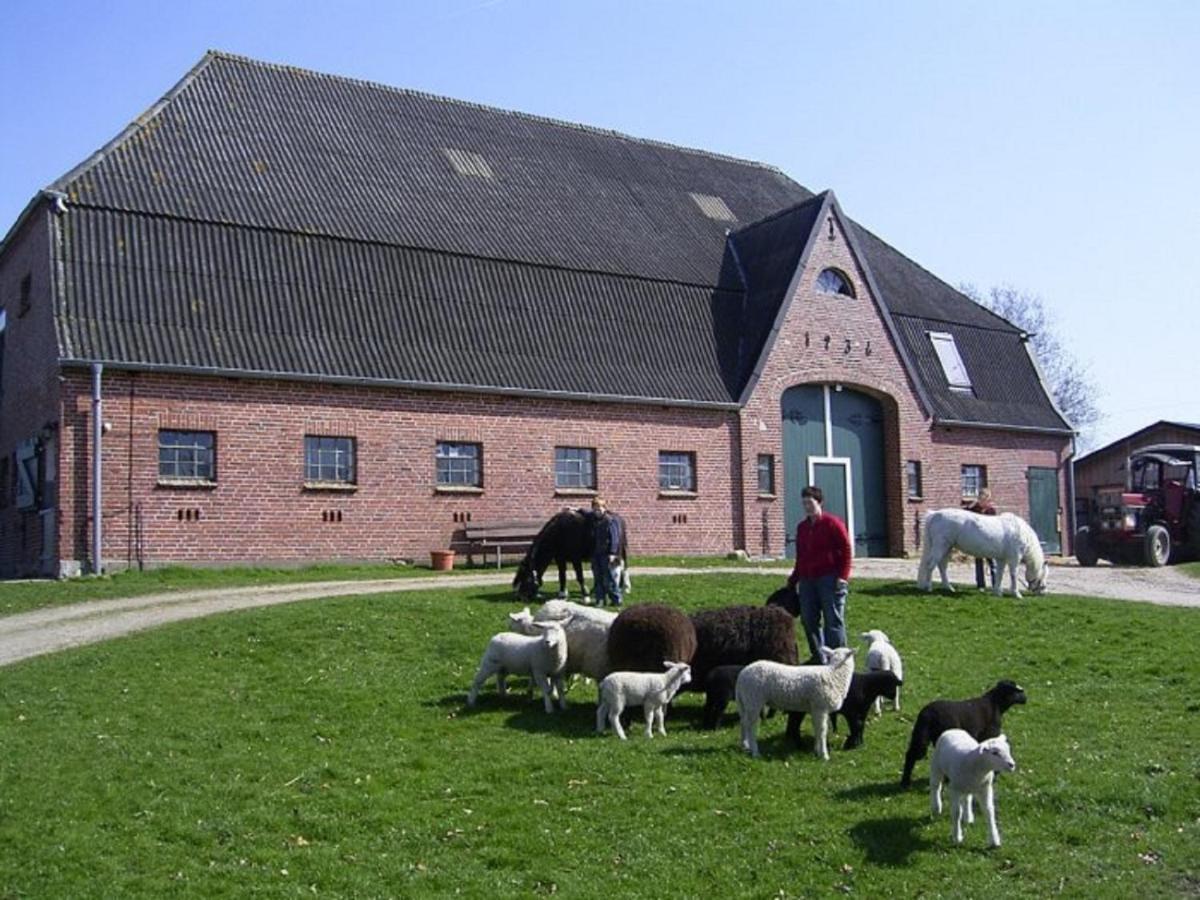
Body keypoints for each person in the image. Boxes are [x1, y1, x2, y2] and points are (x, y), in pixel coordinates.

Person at [785, 485, 852, 661]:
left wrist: (843, 576)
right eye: (804, 503)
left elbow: (846, 549)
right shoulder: (802, 528)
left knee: (833, 620)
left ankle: (837, 657)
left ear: (819, 503)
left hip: (829, 578)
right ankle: (819, 656)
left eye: (810, 503)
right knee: (808, 619)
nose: (807, 507)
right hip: (808, 579)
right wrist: (794, 579)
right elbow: (801, 556)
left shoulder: (832, 524)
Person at [585, 497, 623, 607]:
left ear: (604, 508)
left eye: (600, 508)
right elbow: (585, 512)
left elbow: (614, 538)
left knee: (608, 578)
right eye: (595, 508)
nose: (597, 511)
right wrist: (575, 509)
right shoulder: (594, 520)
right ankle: (600, 599)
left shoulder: (609, 521)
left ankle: (616, 598)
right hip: (595, 553)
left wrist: (612, 553)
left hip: (606, 554)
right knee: (597, 577)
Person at [966, 488, 998, 590]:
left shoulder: (991, 510)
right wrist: (969, 507)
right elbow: (964, 514)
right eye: (980, 498)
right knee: (978, 562)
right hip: (978, 539)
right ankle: (980, 584)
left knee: (992, 562)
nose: (982, 501)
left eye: (985, 498)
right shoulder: (975, 509)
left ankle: (995, 584)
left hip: (988, 540)